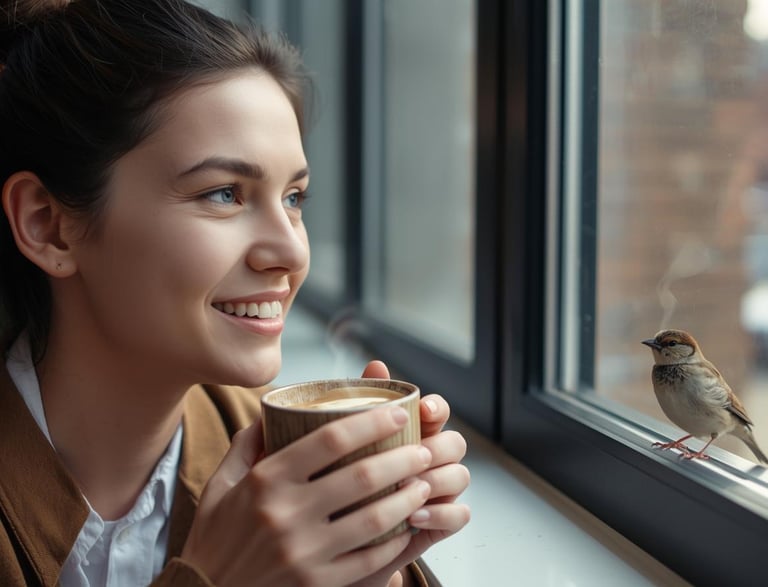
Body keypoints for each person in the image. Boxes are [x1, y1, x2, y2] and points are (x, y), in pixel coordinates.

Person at [0, 1, 471, 585]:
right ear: (47, 224)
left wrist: (374, 568)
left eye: (294, 198)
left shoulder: (279, 461)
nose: (293, 252)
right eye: (224, 193)